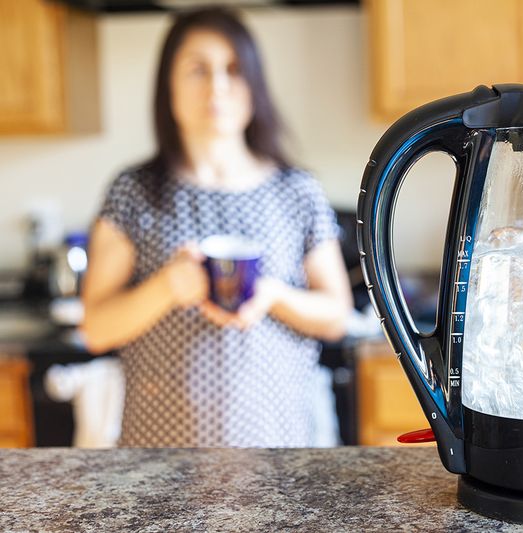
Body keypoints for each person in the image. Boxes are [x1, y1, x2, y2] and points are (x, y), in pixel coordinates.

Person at [80, 7, 353, 447]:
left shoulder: (297, 190)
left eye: (233, 69)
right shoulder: (133, 191)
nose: (217, 87)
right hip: (160, 457)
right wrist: (166, 286)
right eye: (197, 70)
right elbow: (96, 328)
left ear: (255, 84)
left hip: (277, 449)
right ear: (167, 86)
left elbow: (336, 316)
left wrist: (272, 295)